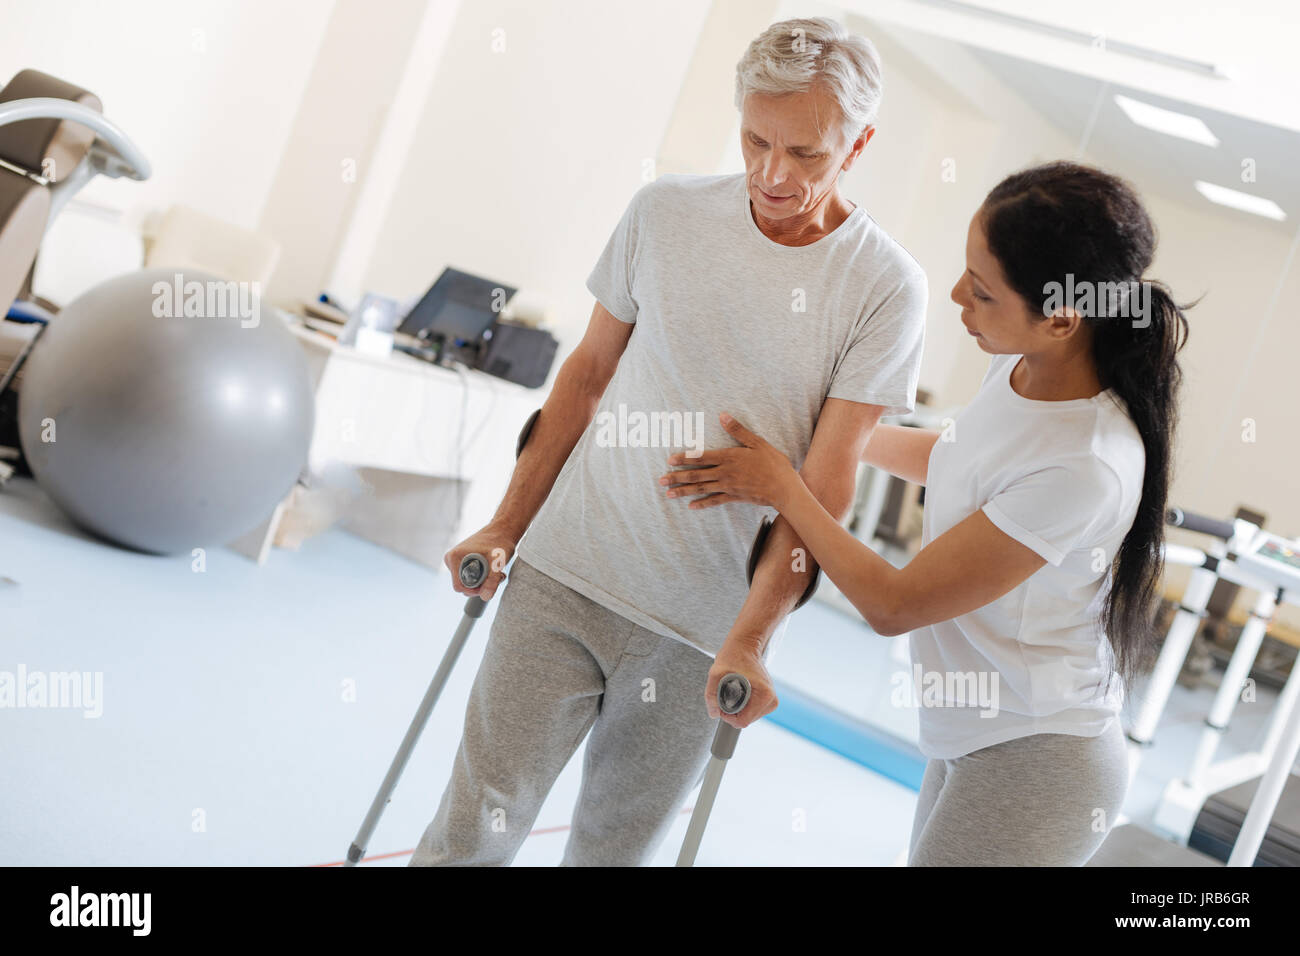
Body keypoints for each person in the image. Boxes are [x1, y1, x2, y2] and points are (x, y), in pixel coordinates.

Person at [408, 17, 928, 866]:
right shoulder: (666, 211)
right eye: (757, 139)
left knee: (614, 851)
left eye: (805, 153)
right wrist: (505, 525)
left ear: (859, 143)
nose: (772, 173)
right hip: (566, 572)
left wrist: (751, 639)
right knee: (475, 824)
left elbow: (827, 489)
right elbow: (583, 379)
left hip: (701, 628)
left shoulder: (884, 287)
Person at [659, 160, 1193, 866]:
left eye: (981, 292)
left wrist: (787, 487)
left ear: (1061, 318)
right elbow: (962, 457)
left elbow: (893, 604)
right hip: (972, 736)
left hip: (1037, 758)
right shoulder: (1022, 366)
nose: (954, 298)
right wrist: (841, 433)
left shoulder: (1088, 462)